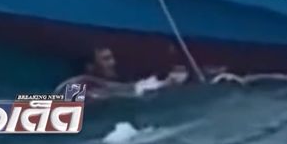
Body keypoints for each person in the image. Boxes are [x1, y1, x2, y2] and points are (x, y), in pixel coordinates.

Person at [53, 47, 190, 101]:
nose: (113, 63)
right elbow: (66, 106)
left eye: (112, 58)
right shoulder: (78, 83)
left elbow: (130, 89)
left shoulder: (118, 80)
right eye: (106, 59)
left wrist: (166, 83)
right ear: (91, 66)